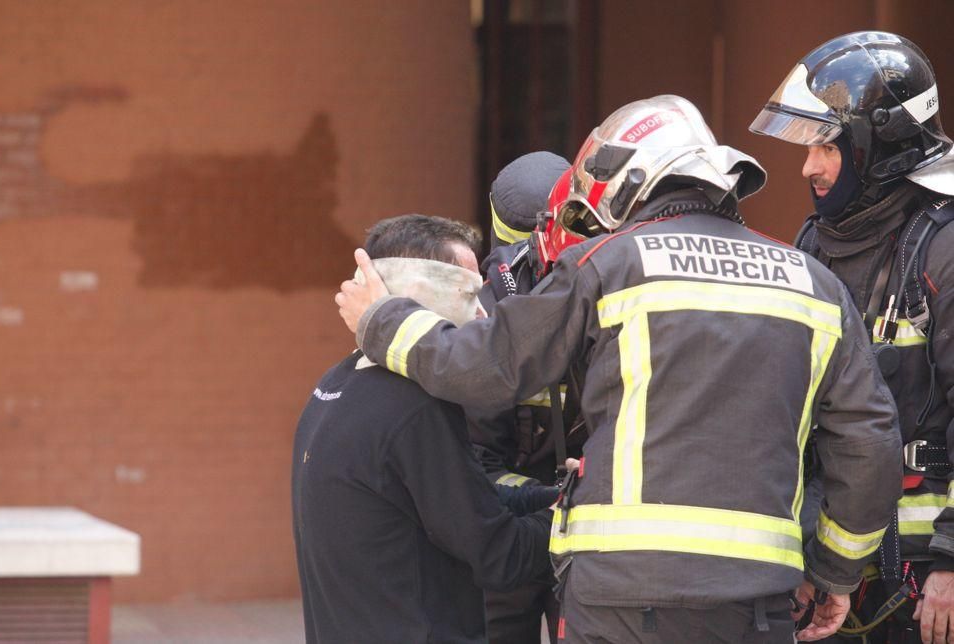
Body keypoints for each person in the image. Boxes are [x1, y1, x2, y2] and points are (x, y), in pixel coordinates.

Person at [336, 95, 903, 643]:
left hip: (624, 597)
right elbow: (871, 444)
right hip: (756, 600)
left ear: (634, 184)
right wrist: (834, 573)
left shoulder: (605, 265)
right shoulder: (817, 286)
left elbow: (484, 367)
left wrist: (383, 320)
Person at [750, 31, 954, 643]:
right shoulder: (814, 244)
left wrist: (950, 560)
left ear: (879, 143)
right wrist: (813, 561)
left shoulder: (942, 249)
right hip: (836, 573)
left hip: (927, 587)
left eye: (826, 146)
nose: (808, 166)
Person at [292, 214, 557, 644]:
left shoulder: (334, 387)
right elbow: (500, 555)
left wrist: (550, 498)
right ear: (417, 294)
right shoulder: (413, 406)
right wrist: (577, 522)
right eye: (469, 294)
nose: (483, 312)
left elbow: (462, 498)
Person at [471, 151, 585, 644]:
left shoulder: (478, 312)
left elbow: (477, 456)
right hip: (570, 531)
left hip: (509, 532)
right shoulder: (605, 297)